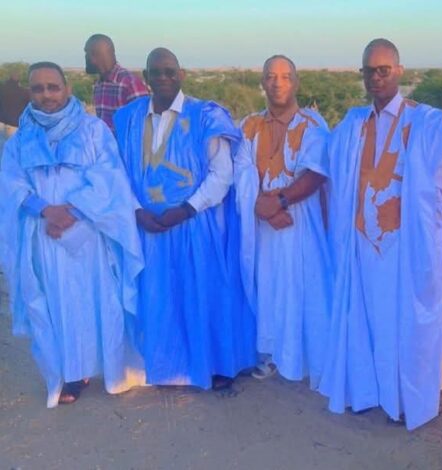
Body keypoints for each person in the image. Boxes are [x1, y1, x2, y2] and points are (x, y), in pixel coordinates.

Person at [319, 38, 442, 430]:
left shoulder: (424, 121)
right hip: (362, 243)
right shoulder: (353, 124)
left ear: (399, 71)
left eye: (383, 70)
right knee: (366, 321)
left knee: (403, 324)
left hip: (404, 247)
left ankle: (405, 399)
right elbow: (329, 164)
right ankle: (367, 392)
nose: (376, 77)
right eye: (368, 71)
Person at [0, 62, 145, 407]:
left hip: (88, 233)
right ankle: (72, 374)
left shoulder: (93, 130)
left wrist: (73, 211)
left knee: (99, 301)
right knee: (56, 306)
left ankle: (113, 371)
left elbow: (109, 178)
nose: (46, 95)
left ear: (66, 88)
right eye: (38, 88)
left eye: (53, 87)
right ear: (30, 93)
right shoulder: (21, 139)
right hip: (44, 235)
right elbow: (10, 183)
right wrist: (45, 210)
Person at [113, 48, 255, 390]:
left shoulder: (205, 116)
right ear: (145, 77)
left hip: (194, 223)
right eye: (156, 72)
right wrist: (136, 210)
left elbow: (222, 174)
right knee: (158, 297)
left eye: (170, 71)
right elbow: (115, 172)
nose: (163, 78)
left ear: (182, 75)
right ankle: (164, 367)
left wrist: (187, 209)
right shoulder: (128, 117)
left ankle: (214, 364)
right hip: (147, 225)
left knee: (202, 293)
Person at [234, 55, 331, 386]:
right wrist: (260, 205)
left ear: (296, 82)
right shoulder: (249, 125)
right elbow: (241, 170)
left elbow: (316, 173)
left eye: (285, 76)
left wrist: (279, 202)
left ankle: (308, 359)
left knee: (304, 288)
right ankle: (271, 355)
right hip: (262, 225)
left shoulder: (313, 124)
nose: (277, 83)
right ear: (262, 82)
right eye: (271, 76)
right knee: (268, 288)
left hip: (299, 223)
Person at [85, 33, 148, 132]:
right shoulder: (99, 85)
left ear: (95, 54)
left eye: (86, 53)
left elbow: (143, 127)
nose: (85, 57)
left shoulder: (130, 83)